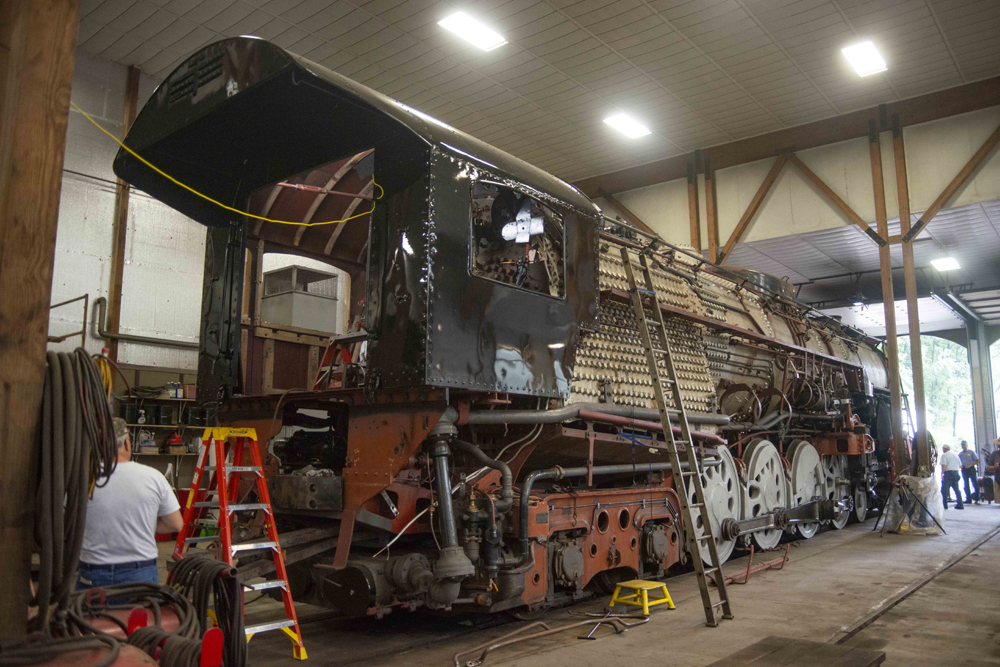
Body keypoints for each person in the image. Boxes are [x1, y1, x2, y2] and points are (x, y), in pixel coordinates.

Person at [77, 419, 183, 589]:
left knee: (93, 616)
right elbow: (176, 524)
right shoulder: (153, 477)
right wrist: (144, 523)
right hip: (140, 573)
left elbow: (65, 523)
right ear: (127, 444)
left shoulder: (82, 478)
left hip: (93, 573)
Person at [939, 444, 964, 510]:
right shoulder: (955, 455)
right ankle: (960, 504)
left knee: (945, 490)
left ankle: (944, 505)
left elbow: (944, 465)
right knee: (957, 490)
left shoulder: (944, 455)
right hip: (956, 473)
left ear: (944, 449)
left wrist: (942, 474)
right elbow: (960, 466)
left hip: (948, 473)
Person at [958, 440, 979, 505]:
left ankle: (977, 498)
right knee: (966, 484)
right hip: (964, 470)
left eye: (964, 445)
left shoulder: (971, 452)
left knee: (974, 483)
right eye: (962, 445)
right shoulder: (960, 454)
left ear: (967, 445)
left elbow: (977, 461)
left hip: (971, 469)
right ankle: (968, 498)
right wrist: (960, 466)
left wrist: (970, 465)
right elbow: (958, 462)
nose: (963, 446)